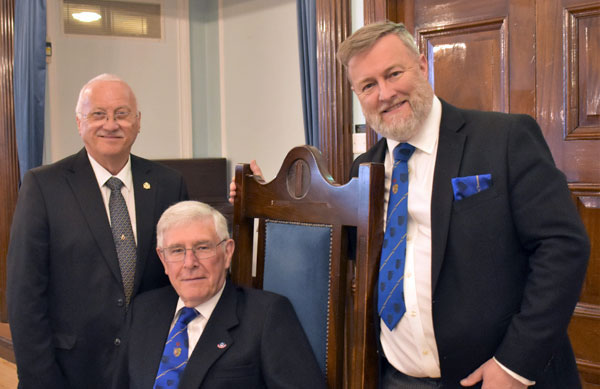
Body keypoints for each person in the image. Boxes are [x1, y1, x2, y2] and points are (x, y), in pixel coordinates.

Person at [231, 22, 590, 388]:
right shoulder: (364, 169)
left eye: (393, 73)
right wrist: (261, 197)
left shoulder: (505, 139)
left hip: (499, 377)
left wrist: (514, 365)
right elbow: (336, 252)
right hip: (397, 378)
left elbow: (563, 248)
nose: (385, 93)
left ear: (421, 65)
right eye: (368, 86)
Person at [7, 74, 188, 389]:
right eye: (98, 114)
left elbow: (191, 265)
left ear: (138, 121)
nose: (111, 124)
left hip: (152, 366)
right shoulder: (44, 186)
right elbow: (25, 293)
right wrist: (39, 378)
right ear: (79, 123)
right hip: (69, 370)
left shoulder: (168, 184)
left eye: (121, 114)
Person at [114, 200, 326, 389]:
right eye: (177, 251)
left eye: (203, 247)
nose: (190, 263)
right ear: (163, 259)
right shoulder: (143, 311)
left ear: (227, 252)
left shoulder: (266, 316)